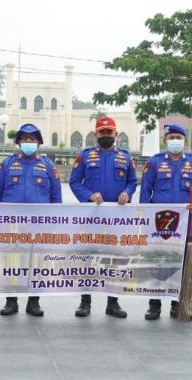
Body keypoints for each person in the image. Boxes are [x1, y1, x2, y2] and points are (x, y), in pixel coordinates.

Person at [0, 123, 62, 316]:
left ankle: (34, 302)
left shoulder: (48, 166)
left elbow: (56, 198)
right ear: (19, 142)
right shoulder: (6, 164)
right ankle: (11, 301)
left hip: (39, 225)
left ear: (38, 142)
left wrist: (55, 222)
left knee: (36, 261)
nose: (28, 142)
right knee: (11, 261)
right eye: (25, 139)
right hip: (11, 224)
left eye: (32, 139)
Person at [69, 117, 136, 318]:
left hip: (117, 217)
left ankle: (113, 302)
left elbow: (133, 182)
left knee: (114, 258)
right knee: (88, 257)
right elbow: (74, 182)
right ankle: (85, 302)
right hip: (92, 216)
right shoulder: (85, 156)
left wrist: (127, 192)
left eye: (109, 132)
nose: (106, 136)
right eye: (102, 132)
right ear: (96, 134)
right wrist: (88, 195)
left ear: (116, 134)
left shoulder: (125, 157)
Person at [140, 123, 192, 320]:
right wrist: (144, 217)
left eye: (179, 138)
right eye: (172, 138)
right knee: (158, 261)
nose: (175, 141)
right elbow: (145, 191)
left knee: (182, 263)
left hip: (184, 221)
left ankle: (177, 304)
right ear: (165, 140)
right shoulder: (154, 162)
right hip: (158, 223)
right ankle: (154, 304)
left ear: (185, 141)